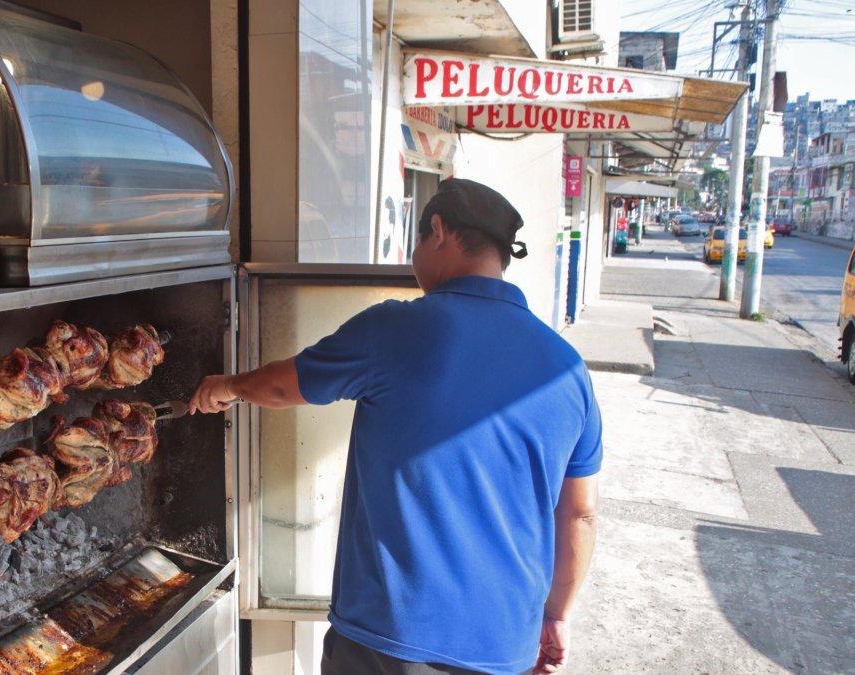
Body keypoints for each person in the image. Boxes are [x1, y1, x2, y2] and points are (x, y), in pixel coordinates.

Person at [189, 178, 602, 675]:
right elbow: (579, 514)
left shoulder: (396, 329)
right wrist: (555, 615)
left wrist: (228, 385)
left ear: (438, 231)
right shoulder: (566, 368)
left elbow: (283, 387)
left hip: (390, 641)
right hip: (504, 645)